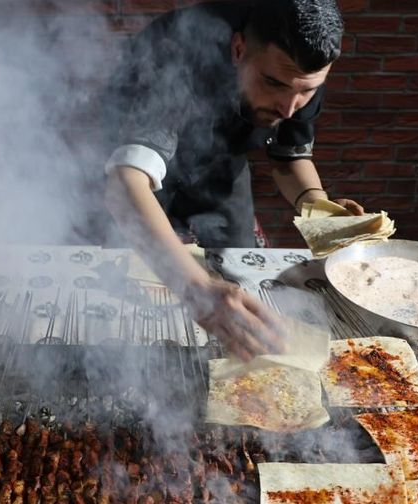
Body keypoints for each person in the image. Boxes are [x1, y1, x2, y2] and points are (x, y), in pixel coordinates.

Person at [102, 0, 364, 361]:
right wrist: (196, 289)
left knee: (241, 275)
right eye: (273, 83)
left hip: (222, 167)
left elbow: (290, 158)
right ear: (238, 49)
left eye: (306, 91)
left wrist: (316, 205)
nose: (289, 108)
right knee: (126, 285)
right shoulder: (176, 53)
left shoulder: (301, 70)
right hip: (133, 166)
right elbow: (125, 184)